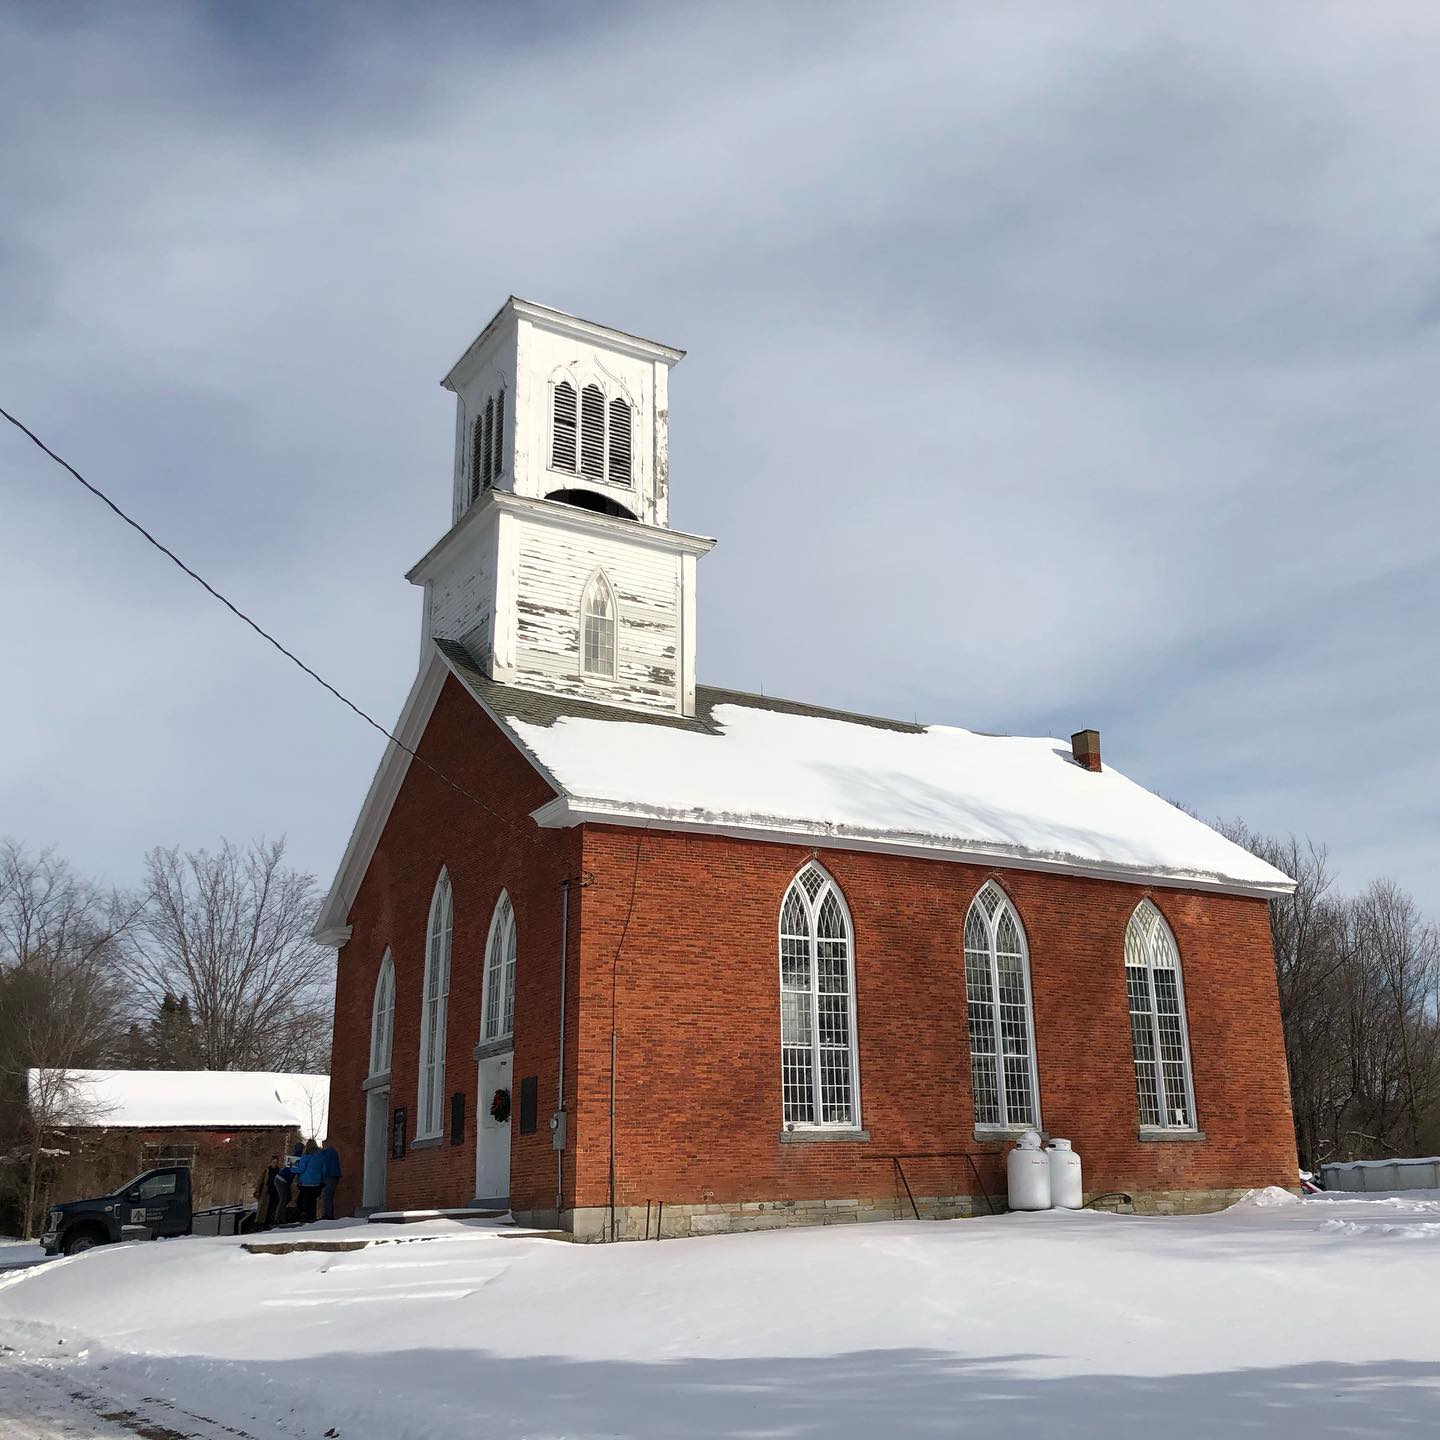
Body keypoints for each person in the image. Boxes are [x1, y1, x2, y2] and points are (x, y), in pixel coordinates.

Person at [294, 1137, 326, 1223]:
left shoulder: (306, 1156)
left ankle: (307, 1218)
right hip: (317, 1183)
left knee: (305, 1201)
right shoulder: (321, 1156)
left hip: (306, 1183)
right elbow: (324, 1170)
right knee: (313, 1201)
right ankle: (313, 1217)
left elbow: (301, 1169)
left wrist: (292, 1168)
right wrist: (322, 1180)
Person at [253, 1154, 281, 1230]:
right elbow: (260, 1181)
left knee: (272, 1208)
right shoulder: (267, 1170)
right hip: (267, 1191)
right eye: (273, 1162)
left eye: (276, 1162)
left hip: (275, 1191)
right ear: (271, 1162)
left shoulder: (279, 1170)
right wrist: (257, 1190)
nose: (275, 1164)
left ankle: (269, 1222)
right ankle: (260, 1223)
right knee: (263, 1208)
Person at [319, 1138, 342, 1221]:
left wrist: (322, 1178)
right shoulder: (334, 1152)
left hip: (329, 1176)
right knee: (330, 1195)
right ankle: (329, 1213)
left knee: (326, 1196)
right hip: (335, 1175)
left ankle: (327, 1214)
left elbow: (325, 1166)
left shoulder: (325, 1153)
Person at [272, 1157, 298, 1226]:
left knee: (286, 1198)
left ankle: (281, 1216)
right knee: (283, 1199)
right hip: (282, 1180)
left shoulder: (294, 1157)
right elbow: (292, 1173)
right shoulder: (297, 1159)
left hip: (282, 1179)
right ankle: (278, 1218)